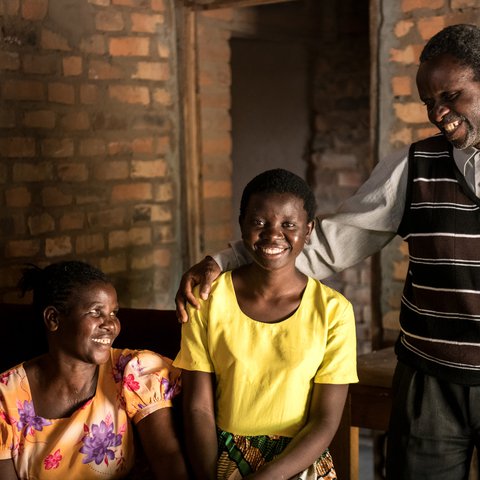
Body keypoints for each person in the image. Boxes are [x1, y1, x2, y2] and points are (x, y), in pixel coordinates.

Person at [176, 23, 480, 479]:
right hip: (430, 378)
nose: (438, 113)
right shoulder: (413, 167)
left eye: (451, 97)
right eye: (428, 102)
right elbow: (325, 244)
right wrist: (219, 263)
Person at [173, 169, 358, 479]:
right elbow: (198, 409)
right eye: (259, 223)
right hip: (221, 458)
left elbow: (325, 421)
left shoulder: (334, 312)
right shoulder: (207, 299)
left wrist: (267, 477)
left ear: (308, 230)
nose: (273, 235)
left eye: (289, 225)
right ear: (242, 225)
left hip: (299, 464)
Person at [0, 261, 188, 480]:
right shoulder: (6, 397)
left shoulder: (131, 372)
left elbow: (167, 456)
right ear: (53, 318)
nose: (110, 324)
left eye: (113, 313)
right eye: (96, 312)